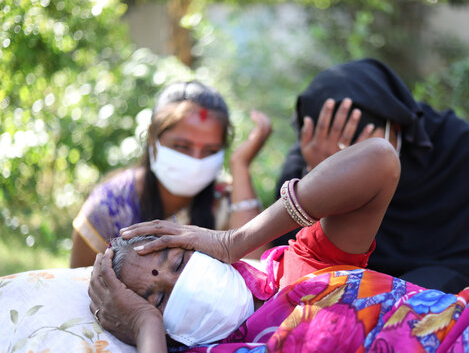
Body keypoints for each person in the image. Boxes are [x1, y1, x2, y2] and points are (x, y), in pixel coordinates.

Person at [88, 137, 402, 351]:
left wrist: (234, 240)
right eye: (156, 299)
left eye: (178, 263)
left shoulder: (302, 269)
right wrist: (145, 326)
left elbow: (379, 159)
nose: (181, 284)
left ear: (203, 249)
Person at [273, 58, 469, 293]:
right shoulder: (307, 159)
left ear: (396, 123)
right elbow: (289, 254)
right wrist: (322, 181)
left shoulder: (453, 146)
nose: (359, 164)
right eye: (345, 155)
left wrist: (396, 297)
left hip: (429, 290)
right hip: (343, 287)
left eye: (364, 148)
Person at [71, 80, 272, 267]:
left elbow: (256, 276)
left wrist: (240, 165)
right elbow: (80, 289)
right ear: (152, 138)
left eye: (210, 151)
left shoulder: (229, 199)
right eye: (182, 146)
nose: (196, 160)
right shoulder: (110, 207)